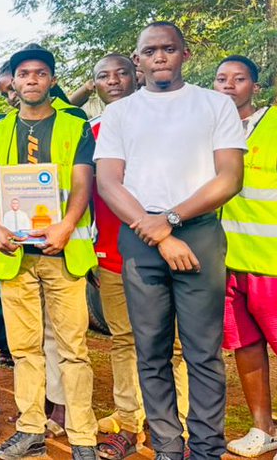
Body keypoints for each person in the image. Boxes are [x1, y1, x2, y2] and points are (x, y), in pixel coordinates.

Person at [95, 22, 246, 460]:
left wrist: (173, 219)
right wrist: (157, 231)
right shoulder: (120, 114)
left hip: (198, 234)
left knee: (202, 353)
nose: (160, 57)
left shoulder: (215, 105)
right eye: (150, 51)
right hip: (141, 239)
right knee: (151, 351)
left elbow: (230, 177)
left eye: (168, 49)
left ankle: (205, 450)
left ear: (185, 53)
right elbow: (108, 182)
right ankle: (165, 447)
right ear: (137, 59)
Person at [0, 46, 98, 460]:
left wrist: (67, 226)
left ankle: (83, 436)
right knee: (25, 349)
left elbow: (84, 183)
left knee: (73, 348)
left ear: (51, 79)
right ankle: (31, 428)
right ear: (12, 82)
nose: (31, 80)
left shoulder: (74, 124)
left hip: (63, 253)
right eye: (24, 74)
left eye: (40, 73)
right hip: (16, 255)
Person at [214, 56, 277, 460]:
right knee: (245, 346)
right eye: (221, 79)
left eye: (239, 79)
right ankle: (263, 428)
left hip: (276, 263)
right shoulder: (211, 130)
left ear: (254, 86)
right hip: (228, 263)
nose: (229, 85)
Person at [89, 54, 189, 460]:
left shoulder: (169, 127)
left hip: (171, 251)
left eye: (121, 74)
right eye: (102, 76)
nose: (113, 81)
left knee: (175, 345)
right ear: (94, 84)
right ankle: (128, 424)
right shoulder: (91, 131)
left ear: (137, 74)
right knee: (125, 341)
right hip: (112, 257)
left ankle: (174, 428)